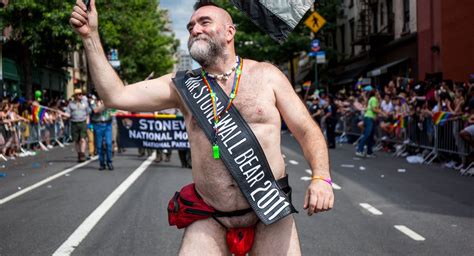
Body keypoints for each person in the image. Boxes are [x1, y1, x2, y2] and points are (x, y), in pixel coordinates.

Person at [70, 1, 333, 254]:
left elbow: (307, 130)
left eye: (204, 22)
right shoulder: (181, 86)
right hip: (210, 216)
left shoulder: (267, 75)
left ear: (230, 32)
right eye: (190, 26)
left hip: (268, 212)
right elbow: (115, 96)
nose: (195, 29)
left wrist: (321, 177)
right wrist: (90, 37)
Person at [65, 88, 90, 162]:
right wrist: (62, 114)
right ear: (75, 96)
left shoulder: (85, 103)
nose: (80, 95)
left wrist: (87, 121)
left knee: (83, 139)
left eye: (81, 94)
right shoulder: (71, 104)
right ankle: (79, 154)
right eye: (79, 94)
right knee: (76, 141)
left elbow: (88, 112)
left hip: (83, 122)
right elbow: (67, 114)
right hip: (74, 123)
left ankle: (82, 154)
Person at [356, 87, 381, 157]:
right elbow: (374, 109)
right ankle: (359, 150)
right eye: (378, 92)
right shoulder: (373, 99)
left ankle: (369, 152)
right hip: (369, 118)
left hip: (371, 118)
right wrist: (383, 113)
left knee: (371, 136)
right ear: (375, 93)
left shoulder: (374, 99)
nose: (379, 93)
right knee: (367, 134)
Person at [90, 97, 114, 170]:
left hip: (107, 125)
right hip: (98, 125)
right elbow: (96, 110)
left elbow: (114, 111)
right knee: (99, 145)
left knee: (109, 144)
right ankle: (102, 163)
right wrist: (106, 104)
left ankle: (109, 162)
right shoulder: (93, 102)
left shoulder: (110, 100)